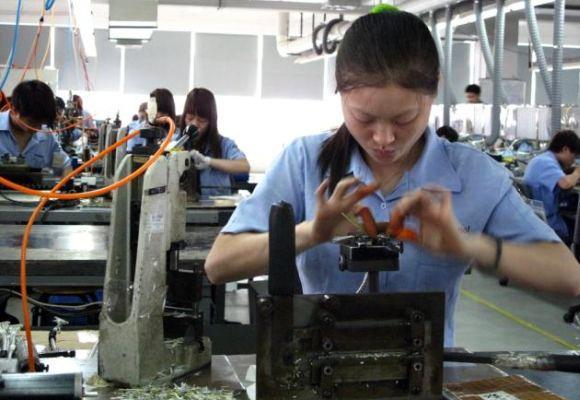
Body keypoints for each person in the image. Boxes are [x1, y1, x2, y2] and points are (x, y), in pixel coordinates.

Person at [205, 9, 580, 347]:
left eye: (404, 120)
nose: (384, 139)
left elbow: (570, 277)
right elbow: (220, 265)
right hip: (319, 370)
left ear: (433, 90)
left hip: (429, 377)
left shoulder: (475, 175)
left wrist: (468, 246)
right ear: (339, 93)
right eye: (364, 119)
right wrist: (312, 233)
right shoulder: (304, 162)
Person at [180, 88, 250, 196]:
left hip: (212, 210)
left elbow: (244, 166)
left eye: (201, 120)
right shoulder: (174, 142)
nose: (194, 124)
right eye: (190, 118)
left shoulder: (224, 144)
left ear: (211, 121)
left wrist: (209, 162)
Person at [0, 80, 70, 175]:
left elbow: (63, 164)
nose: (38, 128)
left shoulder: (46, 137)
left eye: (41, 123)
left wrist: (66, 174)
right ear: (14, 109)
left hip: (32, 189)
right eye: (32, 122)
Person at [523, 130, 580, 244]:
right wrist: (578, 172)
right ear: (565, 149)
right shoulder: (546, 162)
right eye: (574, 157)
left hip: (537, 222)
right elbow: (565, 183)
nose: (573, 161)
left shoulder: (541, 159)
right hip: (551, 226)